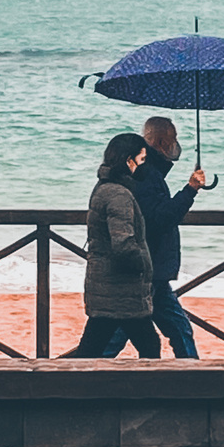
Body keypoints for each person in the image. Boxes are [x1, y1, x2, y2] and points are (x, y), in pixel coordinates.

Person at [101, 117, 205, 359]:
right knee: (121, 334)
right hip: (149, 266)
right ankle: (195, 379)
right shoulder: (148, 176)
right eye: (173, 139)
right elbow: (160, 219)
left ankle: (194, 377)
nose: (176, 145)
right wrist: (190, 190)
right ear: (162, 141)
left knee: (177, 329)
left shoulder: (147, 172)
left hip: (151, 267)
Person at [69, 133, 162, 358]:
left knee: (93, 346)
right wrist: (142, 265)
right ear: (129, 160)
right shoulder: (118, 195)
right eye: (141, 160)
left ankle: (75, 386)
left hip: (108, 286)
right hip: (121, 289)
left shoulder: (105, 186)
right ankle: (150, 392)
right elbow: (123, 243)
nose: (143, 166)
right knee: (149, 346)